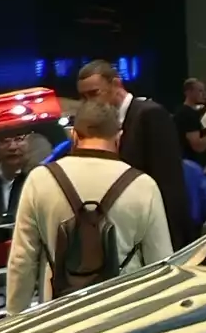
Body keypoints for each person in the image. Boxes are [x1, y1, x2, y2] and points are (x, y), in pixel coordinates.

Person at [5, 97, 171, 312]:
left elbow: (22, 260)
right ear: (119, 137)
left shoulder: (40, 180)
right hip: (125, 312)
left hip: (59, 314)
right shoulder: (143, 185)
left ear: (74, 135)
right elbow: (161, 262)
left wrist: (15, 316)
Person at [75, 58, 192, 245]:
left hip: (155, 232)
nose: (89, 102)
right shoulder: (106, 124)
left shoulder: (150, 114)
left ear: (116, 84)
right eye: (84, 97)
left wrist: (171, 241)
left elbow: (169, 184)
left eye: (94, 93)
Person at [175, 77, 206, 167]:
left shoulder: (194, 112)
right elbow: (197, 146)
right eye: (200, 91)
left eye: (204, 91)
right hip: (191, 166)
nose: (204, 94)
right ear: (188, 92)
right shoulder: (187, 114)